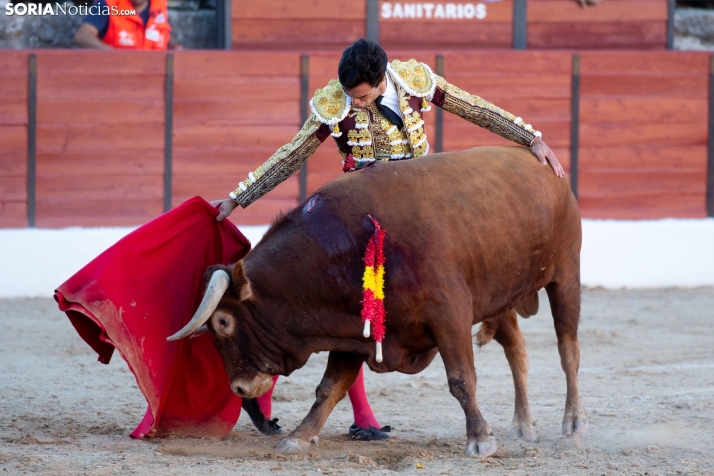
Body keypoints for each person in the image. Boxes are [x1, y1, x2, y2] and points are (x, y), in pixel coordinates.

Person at [210, 38, 564, 441]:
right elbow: (291, 155)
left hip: (424, 215)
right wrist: (240, 197)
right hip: (366, 225)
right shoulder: (334, 104)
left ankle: (357, 413)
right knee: (346, 313)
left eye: (361, 96)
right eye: (350, 96)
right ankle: (303, 405)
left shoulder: (413, 81)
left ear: (381, 82)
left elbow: (474, 107)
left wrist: (529, 136)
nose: (355, 104)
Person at [73, 0, 180, 50]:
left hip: (153, 77)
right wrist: (112, 54)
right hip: (119, 78)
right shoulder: (108, 5)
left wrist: (175, 47)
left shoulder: (158, 5)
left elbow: (161, 32)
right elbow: (82, 36)